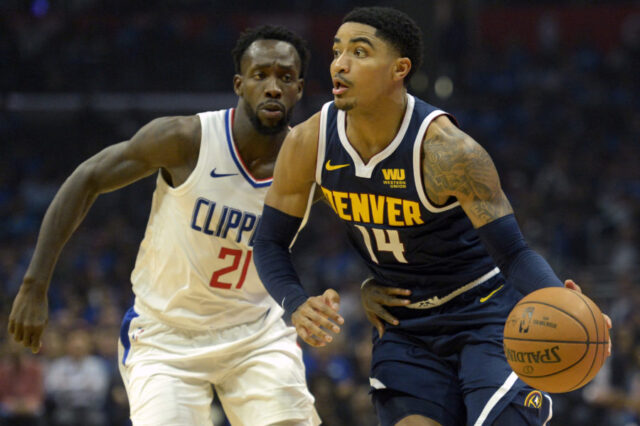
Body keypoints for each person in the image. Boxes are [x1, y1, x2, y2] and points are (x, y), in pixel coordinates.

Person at [253, 7, 612, 426]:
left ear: (398, 69)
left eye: (360, 51)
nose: (340, 63)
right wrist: (296, 303)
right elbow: (269, 240)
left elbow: (513, 253)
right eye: (336, 51)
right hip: (404, 325)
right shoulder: (308, 142)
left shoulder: (449, 152)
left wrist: (564, 300)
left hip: (486, 314)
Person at [8, 25, 320, 426]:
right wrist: (34, 285)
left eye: (285, 77)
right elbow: (86, 178)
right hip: (165, 336)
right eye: (261, 75)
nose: (273, 86)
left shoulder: (310, 162)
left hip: (256, 336)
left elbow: (367, 214)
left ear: (299, 89)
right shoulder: (186, 139)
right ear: (239, 85)